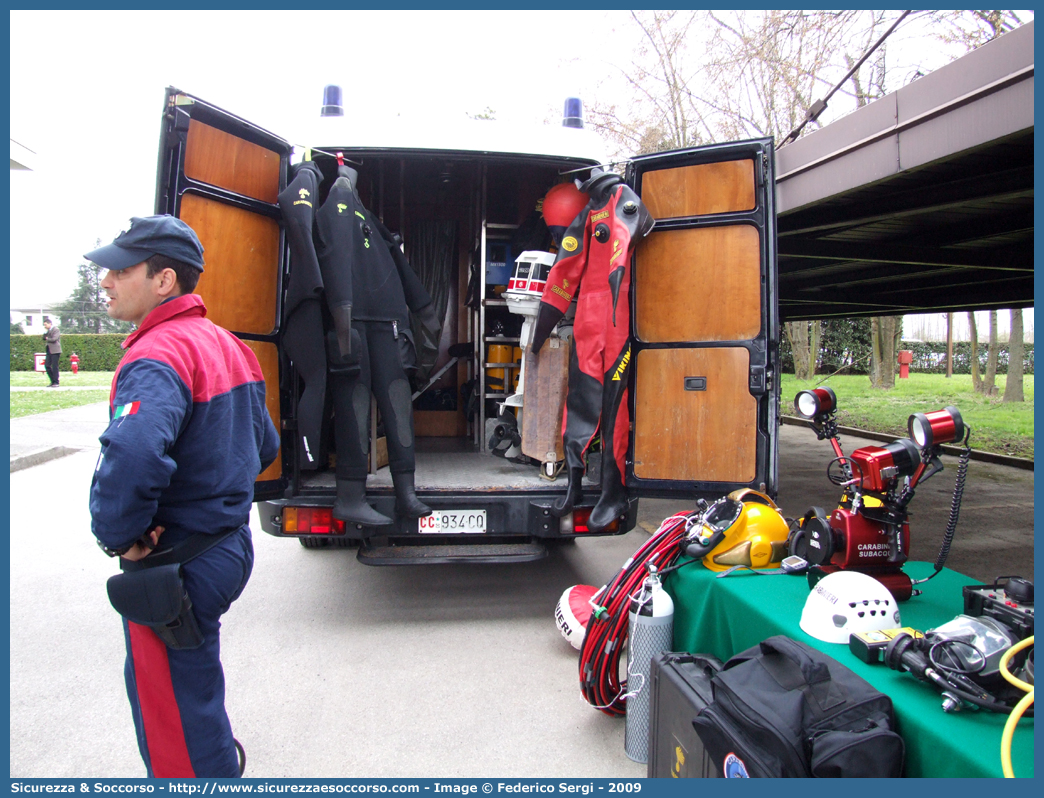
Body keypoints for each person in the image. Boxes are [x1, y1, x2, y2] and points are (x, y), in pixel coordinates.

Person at [85, 215, 280, 778]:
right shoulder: (227, 344)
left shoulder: (158, 353)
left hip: (175, 559)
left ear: (164, 280)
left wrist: (120, 535)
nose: (106, 282)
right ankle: (216, 759)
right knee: (191, 683)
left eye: (120, 270)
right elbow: (264, 445)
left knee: (169, 712)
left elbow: (136, 454)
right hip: (223, 547)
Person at [42, 318, 61, 387]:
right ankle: (52, 381)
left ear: (50, 324)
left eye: (46, 324)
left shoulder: (56, 330)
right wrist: (45, 332)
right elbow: (43, 338)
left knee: (54, 366)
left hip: (55, 350)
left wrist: (47, 338)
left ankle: (56, 382)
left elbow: (54, 339)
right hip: (49, 350)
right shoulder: (47, 331)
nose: (45, 326)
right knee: (47, 365)